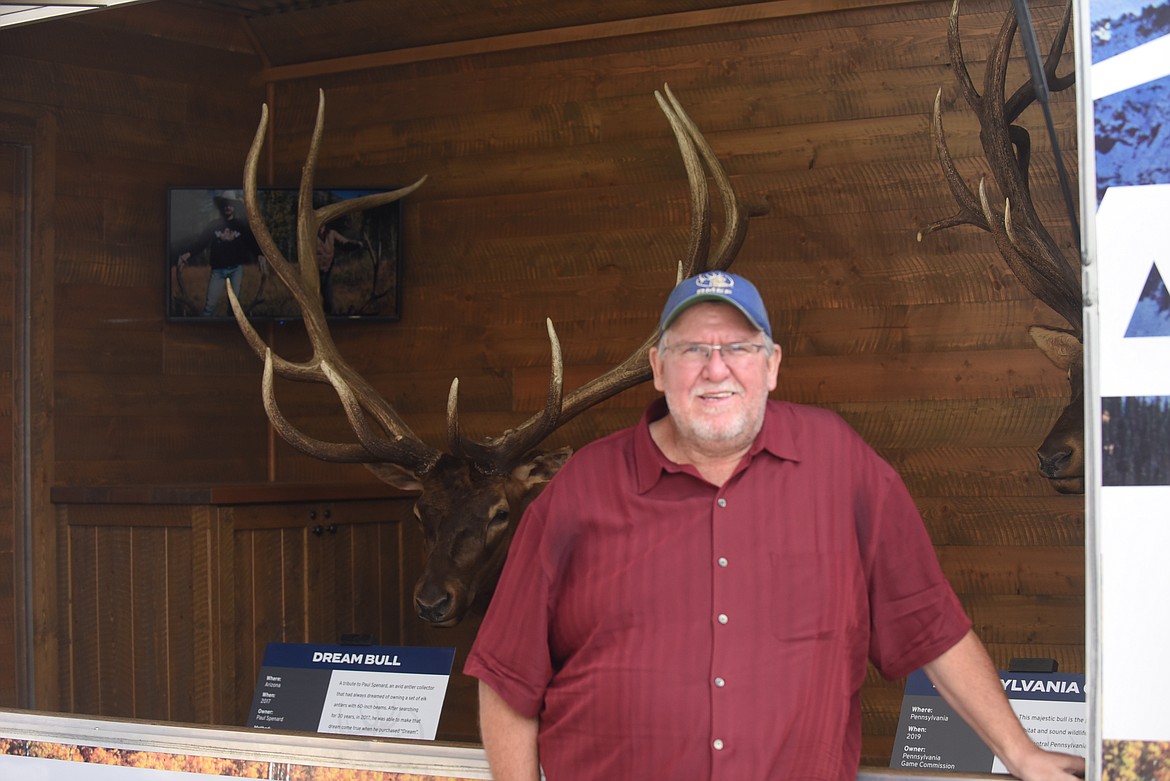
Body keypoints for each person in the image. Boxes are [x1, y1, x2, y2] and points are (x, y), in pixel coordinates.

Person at [464, 271, 1086, 781]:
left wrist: (1020, 751)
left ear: (772, 365)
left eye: (738, 348)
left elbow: (930, 624)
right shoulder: (581, 489)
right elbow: (507, 675)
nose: (716, 369)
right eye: (692, 350)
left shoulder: (840, 464)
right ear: (657, 368)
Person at [176, 194, 264, 316]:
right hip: (218, 271)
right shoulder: (214, 225)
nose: (228, 206)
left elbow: (251, 242)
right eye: (225, 204)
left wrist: (259, 255)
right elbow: (201, 243)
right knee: (209, 308)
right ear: (222, 206)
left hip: (235, 270)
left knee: (234, 309)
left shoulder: (241, 225)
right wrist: (186, 255)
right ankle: (206, 331)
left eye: (230, 204)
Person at [316, 221, 365, 315]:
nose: (320, 227)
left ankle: (328, 320)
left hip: (327, 272)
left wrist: (356, 244)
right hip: (314, 273)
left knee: (328, 300)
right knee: (314, 300)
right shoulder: (311, 236)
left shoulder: (332, 234)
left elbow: (344, 243)